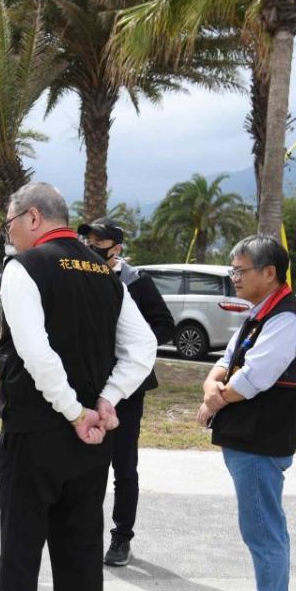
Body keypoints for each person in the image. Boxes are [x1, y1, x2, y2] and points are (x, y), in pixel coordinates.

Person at [0, 183, 157, 591]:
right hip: (91, 443)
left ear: (34, 218)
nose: (9, 233)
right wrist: (106, 402)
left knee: (20, 558)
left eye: (10, 222)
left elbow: (35, 352)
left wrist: (74, 409)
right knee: (82, 557)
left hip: (37, 433)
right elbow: (143, 347)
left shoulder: (25, 268)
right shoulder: (105, 273)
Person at [196, 235, 296, 591]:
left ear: (269, 273)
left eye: (240, 271)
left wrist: (217, 396)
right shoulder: (259, 313)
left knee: (261, 526)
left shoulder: (286, 317)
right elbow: (228, 359)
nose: (234, 277)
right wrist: (213, 383)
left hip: (262, 439)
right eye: (233, 270)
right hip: (246, 435)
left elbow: (254, 377)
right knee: (263, 522)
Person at [78, 219, 174, 567]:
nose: (90, 246)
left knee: (123, 465)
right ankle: (85, 534)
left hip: (128, 390)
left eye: (98, 242)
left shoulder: (137, 282)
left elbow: (165, 326)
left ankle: (121, 538)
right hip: (89, 384)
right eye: (87, 240)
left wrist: (131, 343)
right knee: (86, 464)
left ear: (115, 249)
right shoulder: (81, 276)